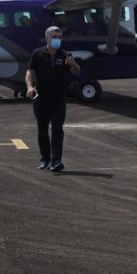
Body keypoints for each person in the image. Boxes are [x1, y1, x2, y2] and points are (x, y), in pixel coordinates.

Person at [25, 26, 80, 172]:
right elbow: (30, 72)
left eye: (59, 37)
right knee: (42, 130)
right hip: (40, 97)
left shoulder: (65, 55)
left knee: (57, 128)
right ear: (47, 37)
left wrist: (73, 64)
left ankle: (56, 161)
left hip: (58, 98)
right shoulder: (37, 53)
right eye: (54, 36)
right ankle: (45, 159)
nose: (57, 39)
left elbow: (76, 72)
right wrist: (30, 87)